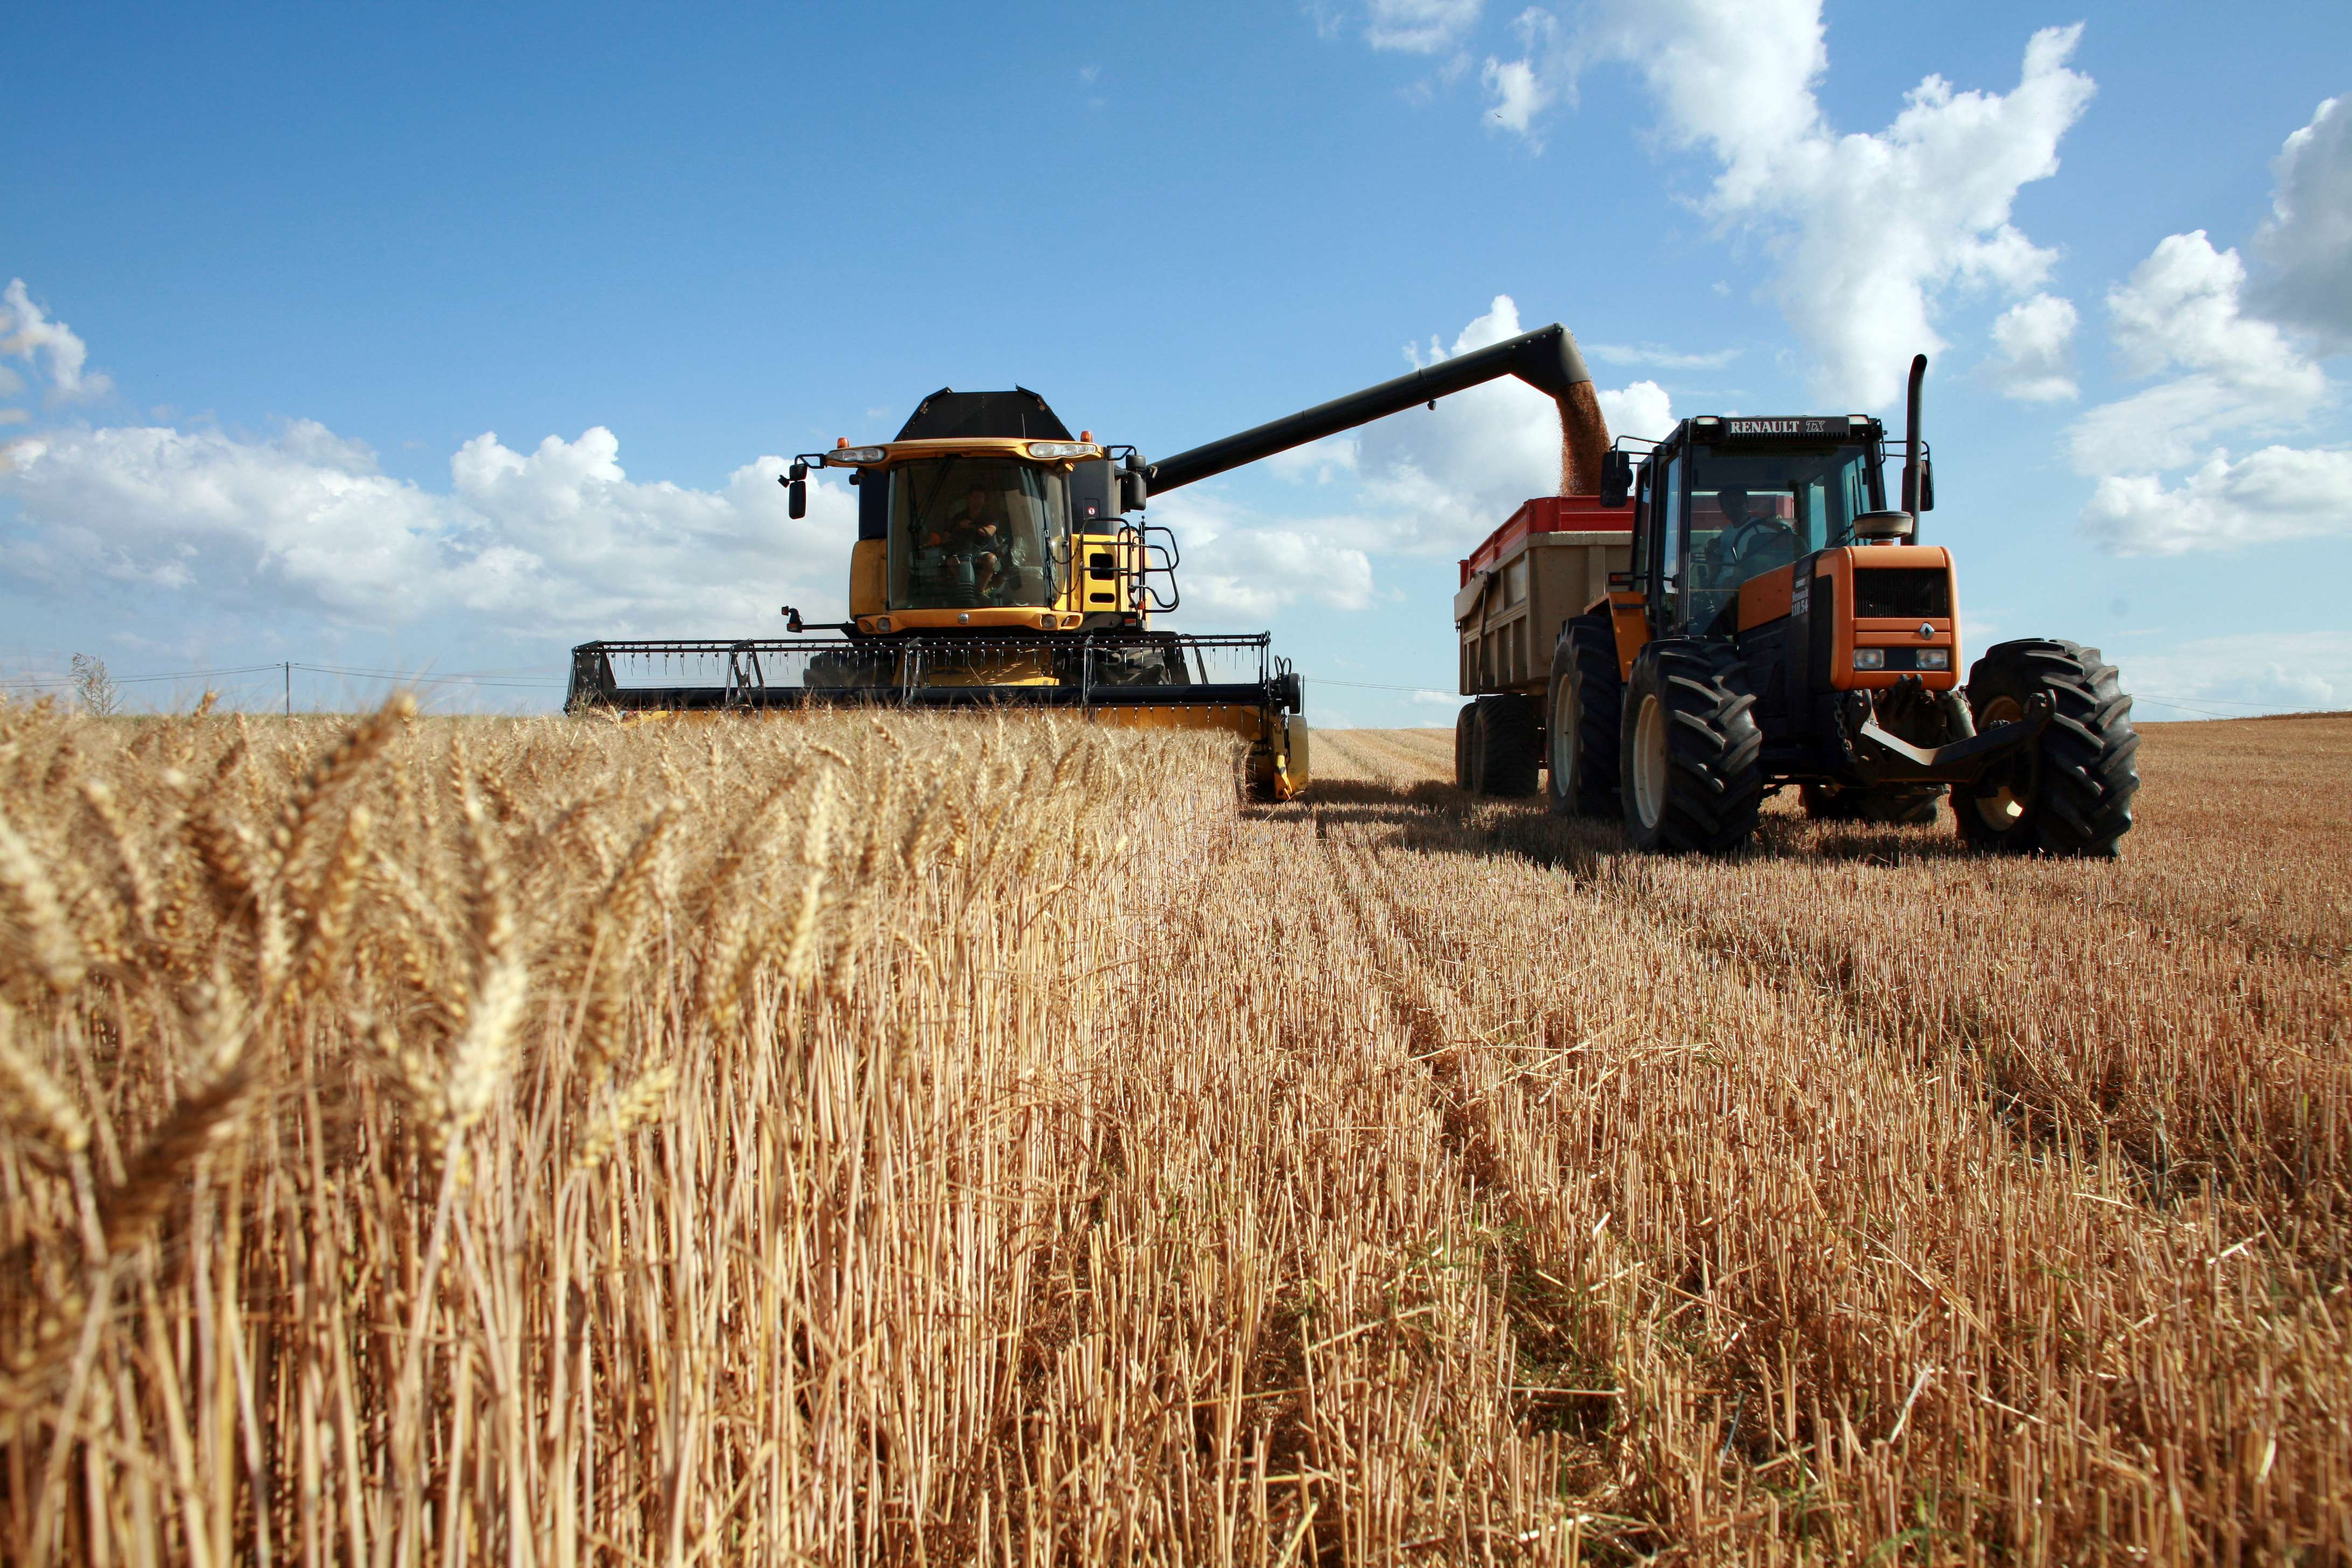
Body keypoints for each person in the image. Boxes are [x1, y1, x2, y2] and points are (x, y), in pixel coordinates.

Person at [1707, 486, 1797, 583]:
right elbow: (1717, 564)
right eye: (1730, 504)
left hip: (1753, 583)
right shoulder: (1725, 534)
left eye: (1739, 503)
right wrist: (1710, 550)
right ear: (1723, 509)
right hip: (1725, 588)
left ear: (1747, 504)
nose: (1735, 508)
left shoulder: (1764, 527)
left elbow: (1793, 543)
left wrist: (1779, 527)